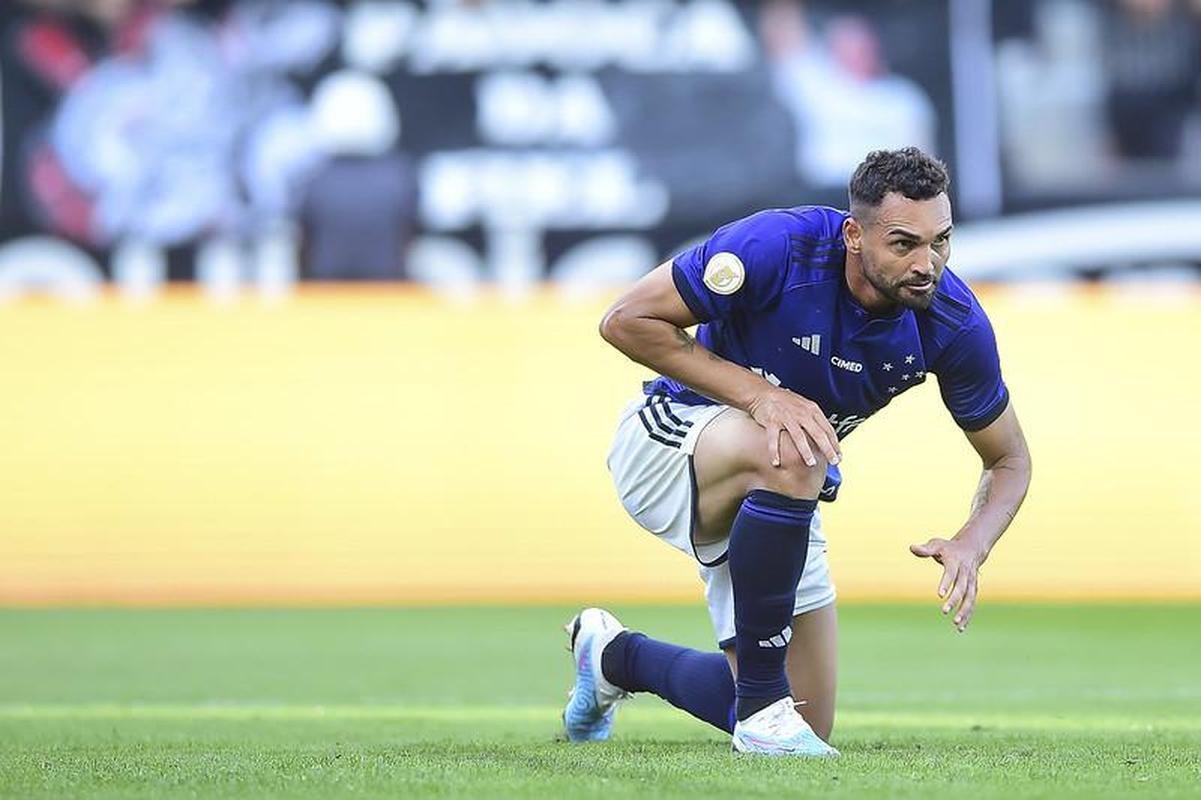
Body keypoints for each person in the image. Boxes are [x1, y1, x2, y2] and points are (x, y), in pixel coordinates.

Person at [562, 147, 1032, 756]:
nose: (928, 264)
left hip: (782, 484)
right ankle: (759, 716)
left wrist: (974, 540)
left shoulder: (952, 322)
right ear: (854, 235)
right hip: (671, 440)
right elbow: (626, 320)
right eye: (904, 244)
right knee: (798, 449)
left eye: (941, 240)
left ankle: (613, 657)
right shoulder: (777, 249)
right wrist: (762, 398)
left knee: (808, 720)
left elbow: (1010, 460)